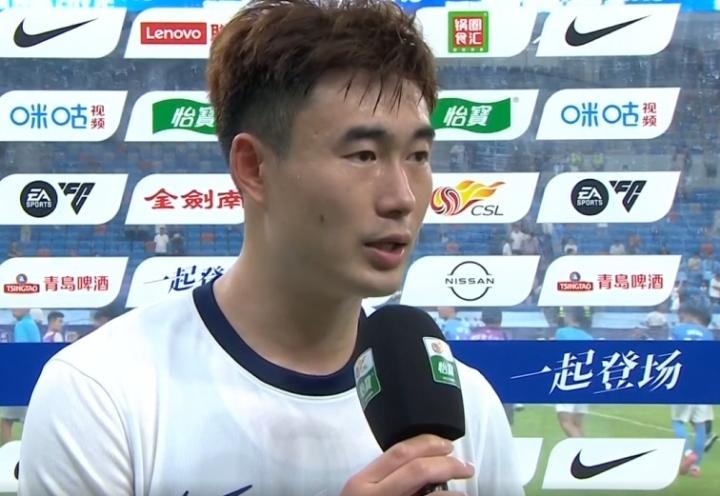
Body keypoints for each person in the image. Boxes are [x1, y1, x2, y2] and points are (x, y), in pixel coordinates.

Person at [19, 2, 523, 495]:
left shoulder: (467, 410)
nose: (403, 197)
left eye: (418, 155)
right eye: (364, 155)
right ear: (253, 168)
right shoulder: (101, 393)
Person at [669, 301, 715, 478]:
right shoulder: (708, 334)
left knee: (678, 421)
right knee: (700, 425)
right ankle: (696, 466)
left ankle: (688, 454)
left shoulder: (677, 330)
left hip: (683, 379)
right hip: (703, 383)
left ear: (688, 314)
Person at [554, 307, 593, 438]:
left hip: (568, 378)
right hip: (585, 380)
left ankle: (583, 448)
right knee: (577, 424)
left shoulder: (562, 333)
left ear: (571, 317)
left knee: (565, 421)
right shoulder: (588, 337)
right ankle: (583, 449)